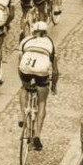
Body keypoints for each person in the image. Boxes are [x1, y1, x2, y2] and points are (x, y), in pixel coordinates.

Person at [17, 21, 58, 151]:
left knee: (24, 88)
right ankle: (37, 135)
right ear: (46, 32)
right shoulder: (49, 43)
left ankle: (23, 114)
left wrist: (23, 82)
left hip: (26, 67)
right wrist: (53, 86)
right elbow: (55, 70)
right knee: (42, 102)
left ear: (33, 31)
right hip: (41, 70)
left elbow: (20, 62)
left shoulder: (25, 41)